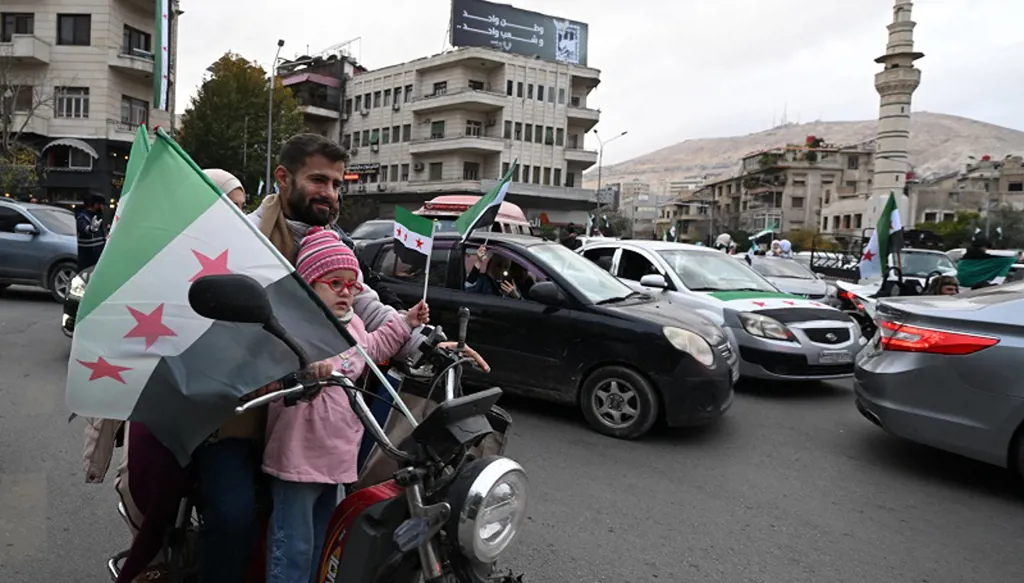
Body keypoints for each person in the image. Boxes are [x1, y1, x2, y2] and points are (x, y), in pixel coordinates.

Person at [186, 133, 425, 583]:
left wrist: (428, 338)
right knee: (235, 515)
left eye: (337, 184)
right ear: (283, 178)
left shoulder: (331, 243)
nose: (330, 194)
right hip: (240, 407)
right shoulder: (244, 240)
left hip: (310, 405)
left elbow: (367, 303)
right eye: (318, 180)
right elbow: (208, 317)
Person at [263, 227, 430, 583]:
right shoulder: (292, 328)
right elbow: (270, 378)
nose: (346, 293)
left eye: (351, 285)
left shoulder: (352, 323)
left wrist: (405, 323)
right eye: (334, 283)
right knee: (291, 547)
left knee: (327, 544)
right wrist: (303, 373)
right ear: (309, 285)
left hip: (338, 458)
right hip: (298, 459)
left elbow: (371, 349)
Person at [76, 194, 107, 271]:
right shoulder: (82, 217)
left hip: (98, 260)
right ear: (96, 205)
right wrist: (91, 229)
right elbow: (84, 229)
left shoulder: (98, 217)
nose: (104, 208)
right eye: (102, 205)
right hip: (87, 261)